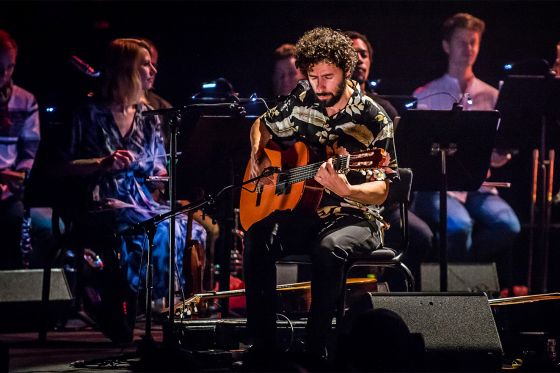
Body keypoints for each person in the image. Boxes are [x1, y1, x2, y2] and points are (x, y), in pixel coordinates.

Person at [243, 27, 398, 364]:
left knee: (328, 248)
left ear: (346, 69)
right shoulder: (303, 102)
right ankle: (264, 347)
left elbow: (385, 187)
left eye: (328, 76)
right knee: (258, 236)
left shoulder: (373, 118)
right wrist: (257, 155)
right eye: (313, 77)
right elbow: (262, 124)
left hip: (358, 216)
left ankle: (318, 350)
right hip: (308, 210)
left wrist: (349, 189)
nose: (320, 86)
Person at [60, 38, 206, 316]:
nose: (152, 71)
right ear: (126, 70)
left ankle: (177, 306)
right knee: (160, 229)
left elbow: (158, 165)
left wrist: (160, 175)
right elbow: (61, 166)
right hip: (99, 200)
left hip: (140, 201)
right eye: (145, 65)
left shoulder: (147, 115)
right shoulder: (88, 113)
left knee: (191, 228)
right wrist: (101, 163)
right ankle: (146, 304)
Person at [411, 13, 521, 293]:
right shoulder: (426, 94)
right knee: (458, 227)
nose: (469, 49)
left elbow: (496, 156)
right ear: (447, 46)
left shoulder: (492, 95)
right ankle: (459, 293)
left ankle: (456, 276)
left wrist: (503, 152)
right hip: (441, 187)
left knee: (508, 225)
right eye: (462, 42)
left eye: (473, 43)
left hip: (479, 187)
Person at [345, 30, 434, 287]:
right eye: (353, 53)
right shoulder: (326, 106)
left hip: (382, 204)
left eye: (364, 54)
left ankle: (395, 302)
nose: (359, 59)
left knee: (421, 236)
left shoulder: (386, 109)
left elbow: (398, 166)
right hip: (340, 203)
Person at [0, 29, 53, 269]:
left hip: (7, 194)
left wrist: (20, 175)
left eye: (9, 67)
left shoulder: (25, 100)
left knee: (35, 229)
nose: (4, 74)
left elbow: (29, 150)